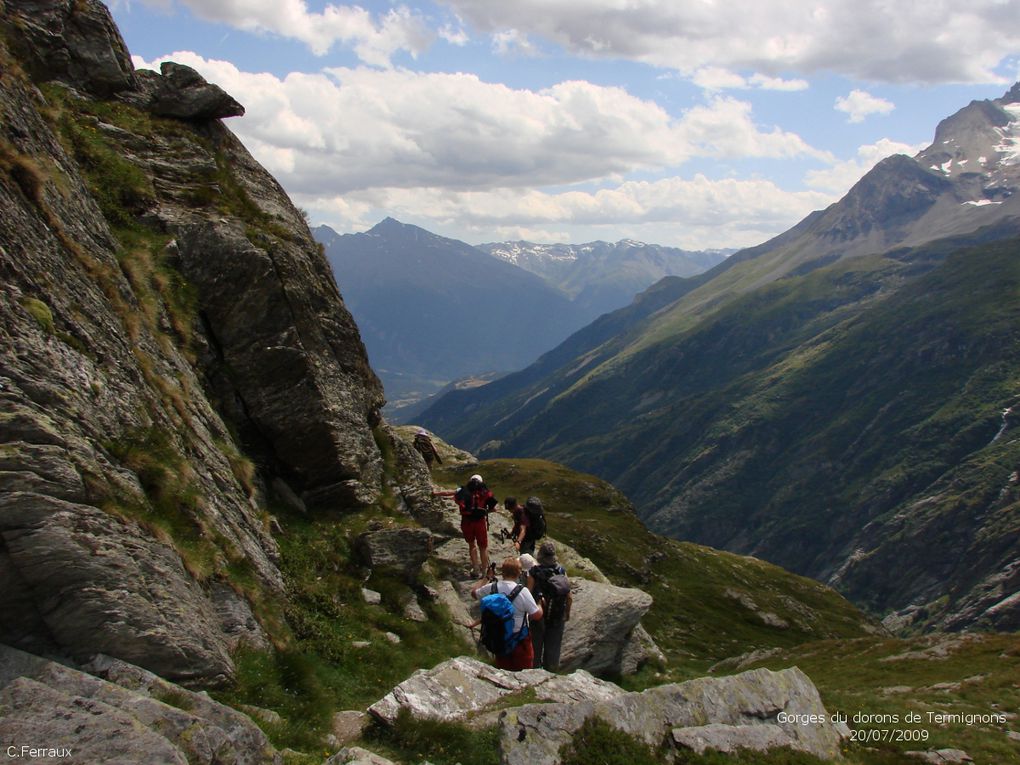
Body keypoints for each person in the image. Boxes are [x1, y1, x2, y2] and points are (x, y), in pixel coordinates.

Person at [470, 557, 543, 671]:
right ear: (519, 573)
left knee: (503, 672)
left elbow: (474, 593)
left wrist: (488, 577)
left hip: (499, 638)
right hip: (520, 639)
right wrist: (539, 605)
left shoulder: (492, 587)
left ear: (502, 572)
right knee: (523, 674)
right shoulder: (523, 592)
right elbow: (536, 615)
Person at [528, 541, 572, 672]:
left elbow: (528, 593)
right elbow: (569, 597)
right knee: (553, 647)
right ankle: (551, 672)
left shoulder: (533, 572)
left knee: (535, 644)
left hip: (538, 613)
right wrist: (567, 613)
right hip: (557, 614)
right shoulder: (561, 572)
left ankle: (533, 671)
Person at [455, 474, 497, 578]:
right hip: (480, 522)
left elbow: (457, 500)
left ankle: (475, 568)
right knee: (483, 547)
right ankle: (484, 571)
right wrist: (485, 511)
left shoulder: (463, 491)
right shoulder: (485, 492)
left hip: (467, 521)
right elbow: (493, 506)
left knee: (471, 545)